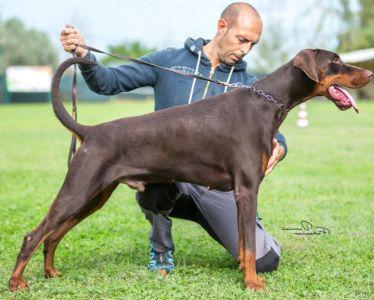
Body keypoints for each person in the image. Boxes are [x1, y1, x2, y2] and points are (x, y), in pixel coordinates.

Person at [60, 2, 287, 275]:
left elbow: (269, 129)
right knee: (154, 171)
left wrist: (281, 144)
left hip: (216, 184)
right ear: (221, 27)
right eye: (242, 40)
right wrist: (84, 53)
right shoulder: (170, 60)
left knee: (265, 262)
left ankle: (231, 222)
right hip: (168, 175)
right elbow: (107, 82)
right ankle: (161, 250)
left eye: (252, 44)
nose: (245, 50)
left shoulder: (248, 85)